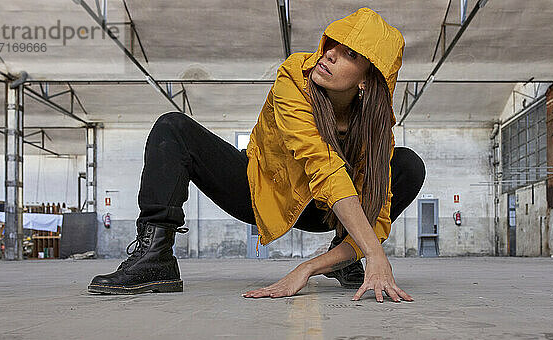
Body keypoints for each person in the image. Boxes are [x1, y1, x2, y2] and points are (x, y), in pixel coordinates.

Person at [88, 8, 425, 302]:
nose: (330, 54)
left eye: (350, 54)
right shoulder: (295, 78)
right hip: (262, 190)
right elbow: (323, 166)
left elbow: (374, 222)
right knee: (173, 128)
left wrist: (310, 267)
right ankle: (155, 257)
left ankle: (343, 260)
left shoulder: (377, 131)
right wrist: (377, 254)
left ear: (368, 79)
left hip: (325, 213)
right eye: (333, 43)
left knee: (408, 165)